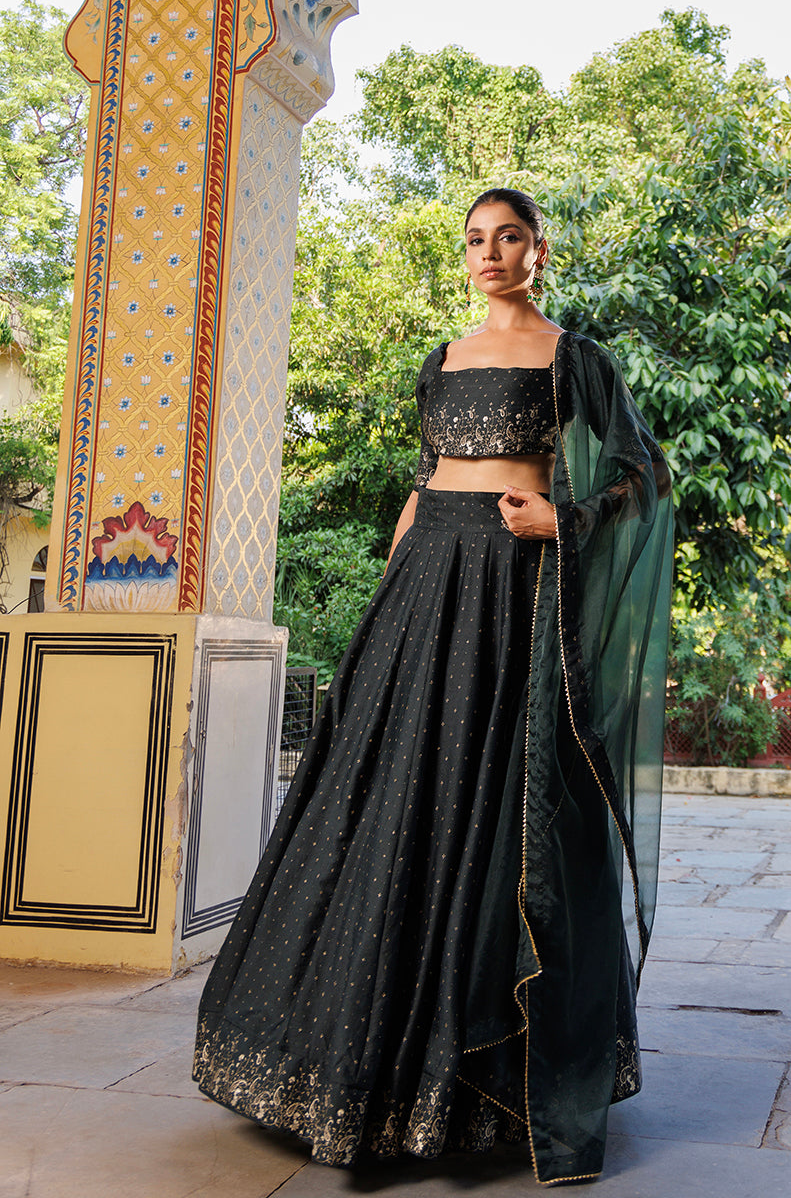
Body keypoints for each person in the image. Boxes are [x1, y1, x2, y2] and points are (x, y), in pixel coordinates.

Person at [193, 188, 673, 1186]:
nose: (489, 254)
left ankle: (487, 1073)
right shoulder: (442, 361)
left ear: (538, 252)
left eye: (508, 239)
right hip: (427, 586)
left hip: (514, 587)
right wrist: (388, 598)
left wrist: (563, 517)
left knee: (508, 807)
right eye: (474, 241)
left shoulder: (575, 357)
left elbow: (644, 475)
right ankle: (368, 1069)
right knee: (390, 799)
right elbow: (423, 483)